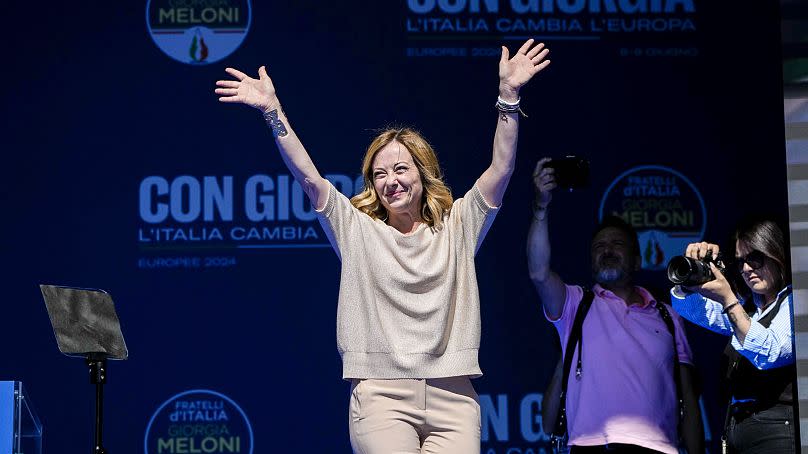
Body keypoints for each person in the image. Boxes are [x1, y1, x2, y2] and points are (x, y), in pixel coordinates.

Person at [215, 39, 550, 453]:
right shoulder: (357, 230)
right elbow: (310, 179)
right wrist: (273, 111)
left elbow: (502, 168)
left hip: (455, 398)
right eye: (378, 174)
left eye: (400, 169)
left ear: (422, 174)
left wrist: (509, 97)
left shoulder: (458, 226)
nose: (390, 181)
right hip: (382, 398)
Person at [528, 158, 703, 453]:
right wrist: (541, 209)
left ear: (637, 260)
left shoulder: (669, 316)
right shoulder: (577, 305)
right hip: (594, 446)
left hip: (660, 448)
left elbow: (688, 396)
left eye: (616, 244)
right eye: (599, 247)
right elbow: (539, 273)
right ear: (591, 262)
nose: (607, 250)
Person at [671, 219, 796, 453]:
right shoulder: (748, 307)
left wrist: (729, 300)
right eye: (740, 262)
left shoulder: (796, 301)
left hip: (777, 430)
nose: (747, 269)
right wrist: (693, 279)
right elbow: (691, 310)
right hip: (737, 428)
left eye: (755, 258)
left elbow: (771, 351)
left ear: (777, 254)